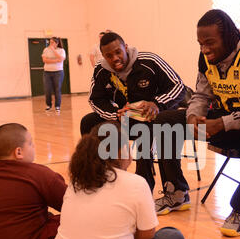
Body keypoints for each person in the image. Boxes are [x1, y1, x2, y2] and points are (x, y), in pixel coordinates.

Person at [153, 9, 240, 235]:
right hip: (226, 121)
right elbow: (201, 95)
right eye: (200, 44)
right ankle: (176, 192)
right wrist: (192, 117)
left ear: (228, 36)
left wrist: (222, 123)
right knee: (166, 120)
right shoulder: (206, 58)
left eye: (209, 42)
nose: (204, 49)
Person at [51, 122, 189, 239]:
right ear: (119, 152)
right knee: (173, 236)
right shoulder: (136, 183)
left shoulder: (76, 183)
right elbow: (148, 234)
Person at [80, 32, 187, 193]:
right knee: (88, 122)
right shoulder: (101, 70)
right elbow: (95, 100)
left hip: (154, 117)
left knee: (144, 130)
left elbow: (179, 86)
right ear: (103, 56)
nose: (115, 58)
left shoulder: (149, 61)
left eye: (118, 52)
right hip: (126, 116)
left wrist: (157, 103)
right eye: (109, 55)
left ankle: (142, 186)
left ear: (126, 48)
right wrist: (116, 114)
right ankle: (98, 176)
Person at [42, 36, 66, 113]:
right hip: (47, 72)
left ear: (57, 43)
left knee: (57, 89)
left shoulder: (61, 50)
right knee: (47, 90)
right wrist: (56, 60)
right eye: (50, 42)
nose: (50, 44)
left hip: (58, 72)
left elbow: (61, 59)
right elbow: (45, 60)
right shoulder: (46, 50)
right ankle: (48, 105)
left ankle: (57, 106)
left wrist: (53, 51)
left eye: (52, 42)